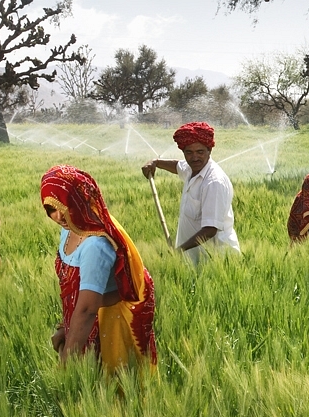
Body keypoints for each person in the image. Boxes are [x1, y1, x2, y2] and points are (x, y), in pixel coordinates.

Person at [41, 165, 157, 370]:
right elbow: (75, 294)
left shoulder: (95, 245)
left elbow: (87, 309)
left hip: (104, 329)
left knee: (108, 392)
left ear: (77, 201)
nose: (58, 216)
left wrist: (67, 363)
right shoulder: (69, 230)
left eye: (63, 206)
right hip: (81, 324)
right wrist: (65, 327)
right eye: (51, 209)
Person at [142, 121, 240, 265]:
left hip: (215, 258)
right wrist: (155, 162)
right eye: (189, 152)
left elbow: (210, 229)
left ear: (209, 150)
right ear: (184, 152)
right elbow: (177, 166)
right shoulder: (191, 168)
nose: (194, 157)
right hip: (194, 255)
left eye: (200, 152)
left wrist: (178, 251)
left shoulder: (214, 182)